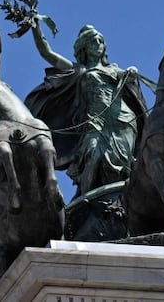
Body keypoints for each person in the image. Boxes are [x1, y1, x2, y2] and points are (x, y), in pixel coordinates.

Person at [25, 19, 146, 199]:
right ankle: (86, 200)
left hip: (123, 121)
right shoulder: (78, 70)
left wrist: (131, 72)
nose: (98, 44)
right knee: (92, 154)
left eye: (101, 41)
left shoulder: (114, 69)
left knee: (124, 164)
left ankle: (126, 200)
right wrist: (35, 26)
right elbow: (47, 52)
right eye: (93, 41)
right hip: (95, 122)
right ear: (84, 47)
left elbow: (128, 78)